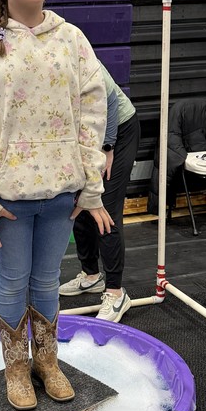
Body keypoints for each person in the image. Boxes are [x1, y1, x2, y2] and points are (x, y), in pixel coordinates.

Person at [0, 0, 112, 411]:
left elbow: (91, 113)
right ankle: (16, 368)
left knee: (46, 281)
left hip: (61, 192)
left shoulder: (72, 39)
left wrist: (92, 187)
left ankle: (47, 360)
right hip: (9, 199)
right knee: (11, 280)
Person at [59, 65, 140, 322]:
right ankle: (91, 276)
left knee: (104, 205)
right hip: (85, 135)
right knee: (80, 203)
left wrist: (108, 146)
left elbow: (111, 99)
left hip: (118, 131)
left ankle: (116, 293)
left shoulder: (72, 47)